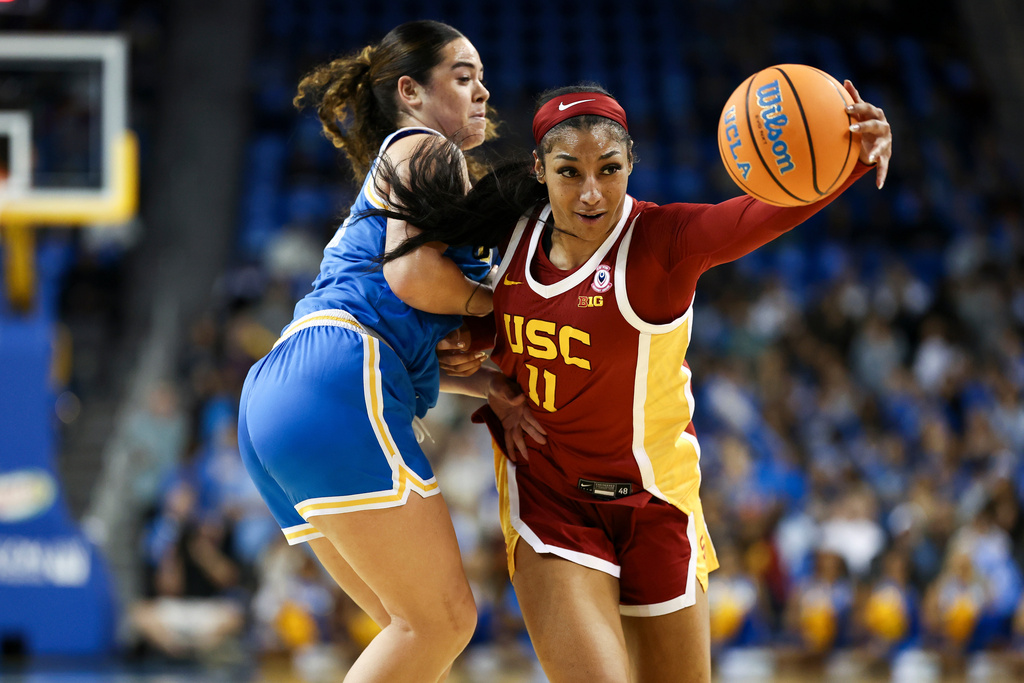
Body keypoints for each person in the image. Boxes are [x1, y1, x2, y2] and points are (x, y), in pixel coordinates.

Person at [374, 80, 892, 681]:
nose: (592, 193)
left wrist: (848, 156)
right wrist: (479, 358)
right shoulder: (509, 235)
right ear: (540, 170)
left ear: (631, 164)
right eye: (570, 172)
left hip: (658, 503)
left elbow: (757, 215)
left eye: (609, 169)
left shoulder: (661, 241)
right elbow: (467, 310)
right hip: (551, 499)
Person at [236, 20, 508, 682]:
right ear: (410, 93)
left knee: (414, 633)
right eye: (463, 77)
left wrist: (494, 386)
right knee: (442, 622)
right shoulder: (427, 147)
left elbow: (409, 333)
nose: (482, 92)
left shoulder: (407, 175)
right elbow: (411, 278)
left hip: (282, 394)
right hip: (338, 377)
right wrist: (504, 306)